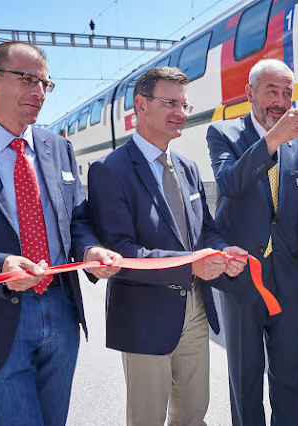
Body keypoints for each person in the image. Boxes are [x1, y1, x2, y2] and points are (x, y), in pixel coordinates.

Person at [0, 41, 120, 426]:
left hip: (61, 315)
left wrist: (90, 251)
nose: (39, 92)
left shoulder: (58, 148)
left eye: (46, 84)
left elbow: (76, 221)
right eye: (28, 79)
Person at [87, 66, 248, 426]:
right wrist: (191, 264)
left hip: (195, 307)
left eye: (185, 105)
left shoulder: (187, 167)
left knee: (193, 412)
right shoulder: (110, 170)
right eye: (170, 102)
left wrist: (223, 251)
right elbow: (119, 250)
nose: (181, 113)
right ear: (140, 105)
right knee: (148, 417)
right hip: (144, 312)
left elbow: (205, 229)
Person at [206, 59, 298, 426]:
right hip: (241, 277)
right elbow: (230, 185)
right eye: (272, 91)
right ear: (250, 93)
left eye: (288, 93)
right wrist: (272, 140)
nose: (282, 102)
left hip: (288, 276)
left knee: (289, 374)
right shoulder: (222, 134)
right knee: (245, 376)